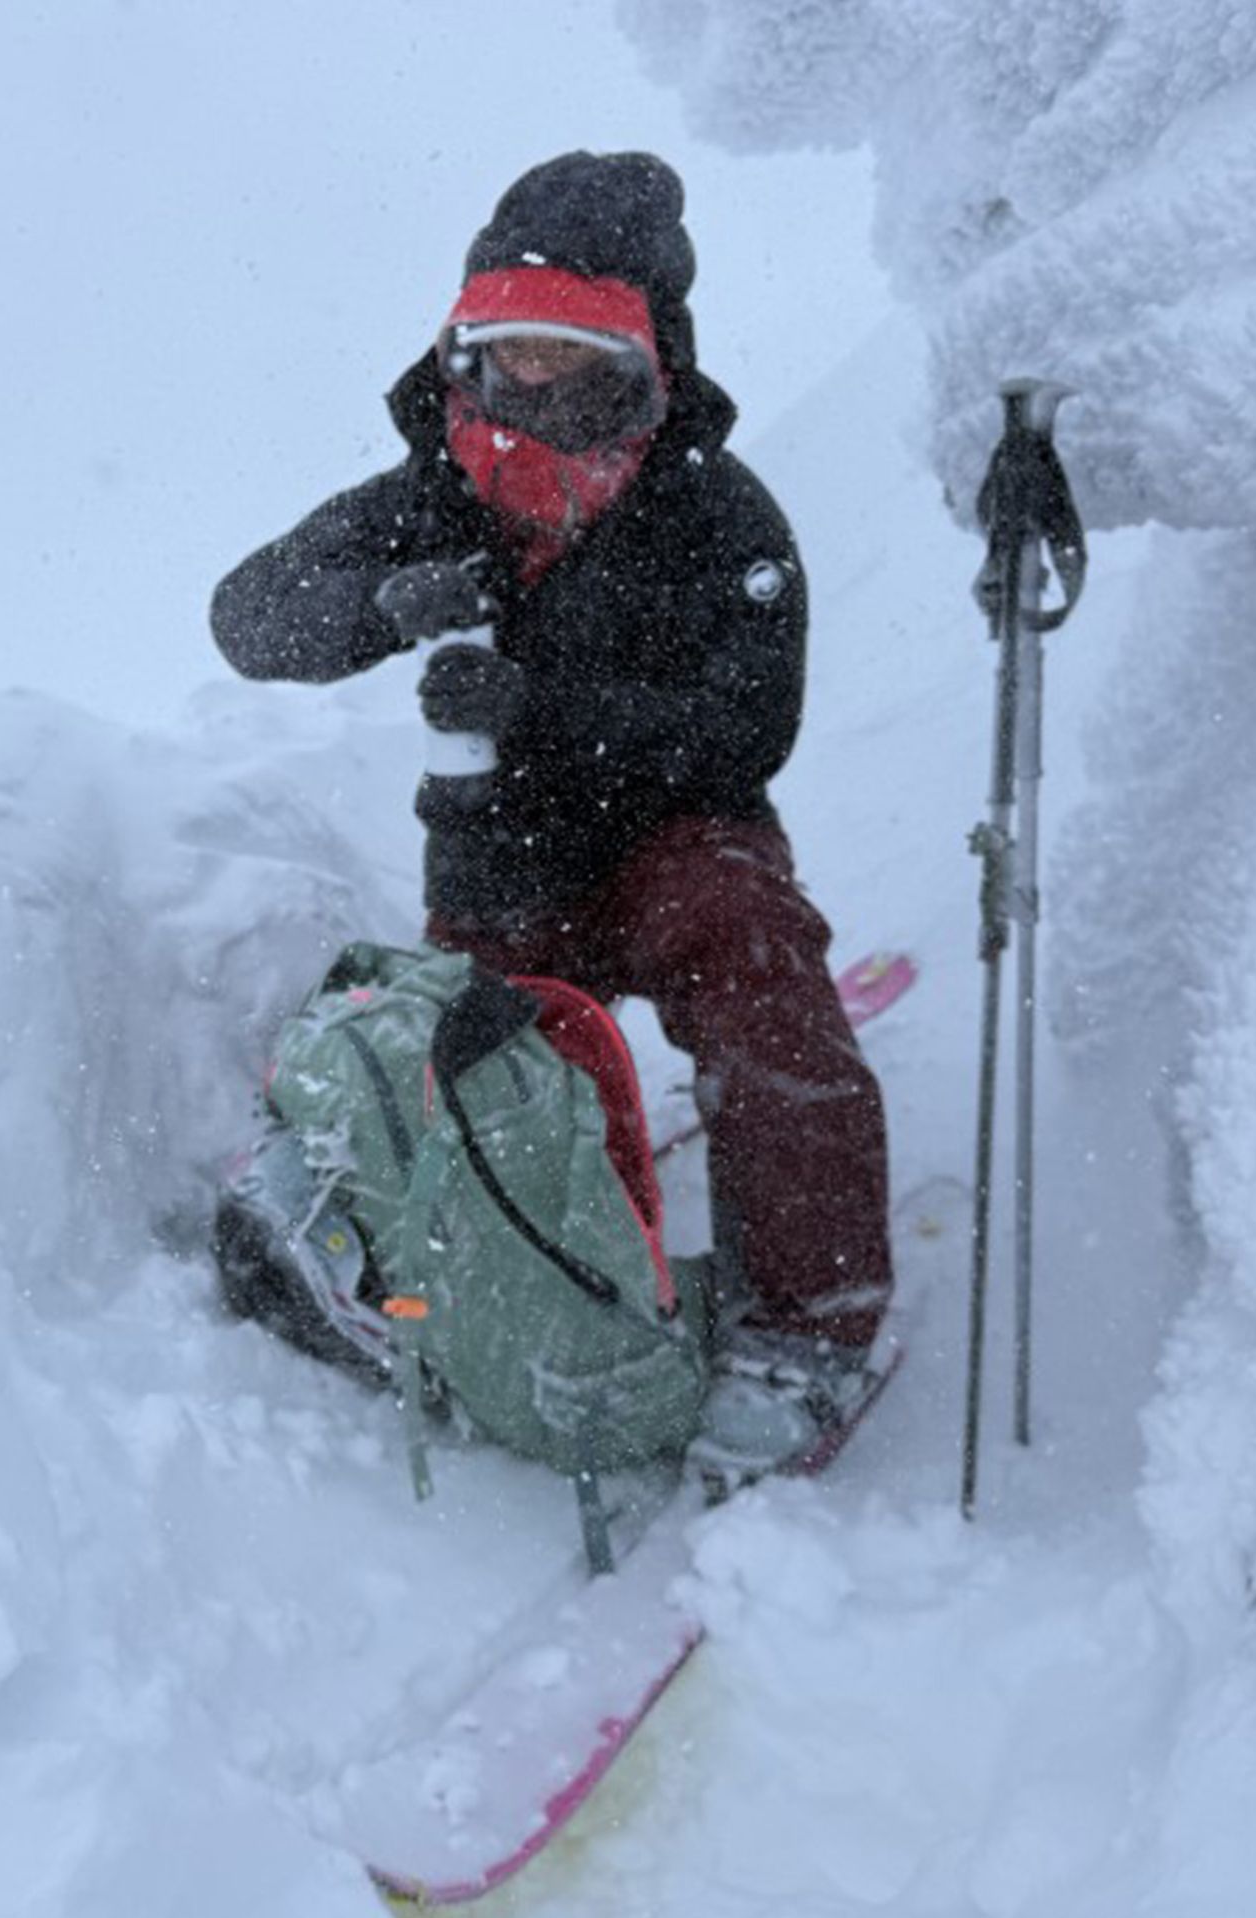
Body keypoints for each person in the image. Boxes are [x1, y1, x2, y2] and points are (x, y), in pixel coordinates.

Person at [211, 150, 893, 1472]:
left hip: (674, 840)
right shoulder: (439, 489)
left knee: (752, 956)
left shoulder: (716, 514)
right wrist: (384, 606)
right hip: (499, 858)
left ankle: (810, 1323)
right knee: (466, 1066)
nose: (524, 381)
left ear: (639, 355)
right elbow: (249, 618)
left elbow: (748, 728)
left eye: (560, 349)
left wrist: (545, 705)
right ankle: (361, 1226)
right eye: (500, 345)